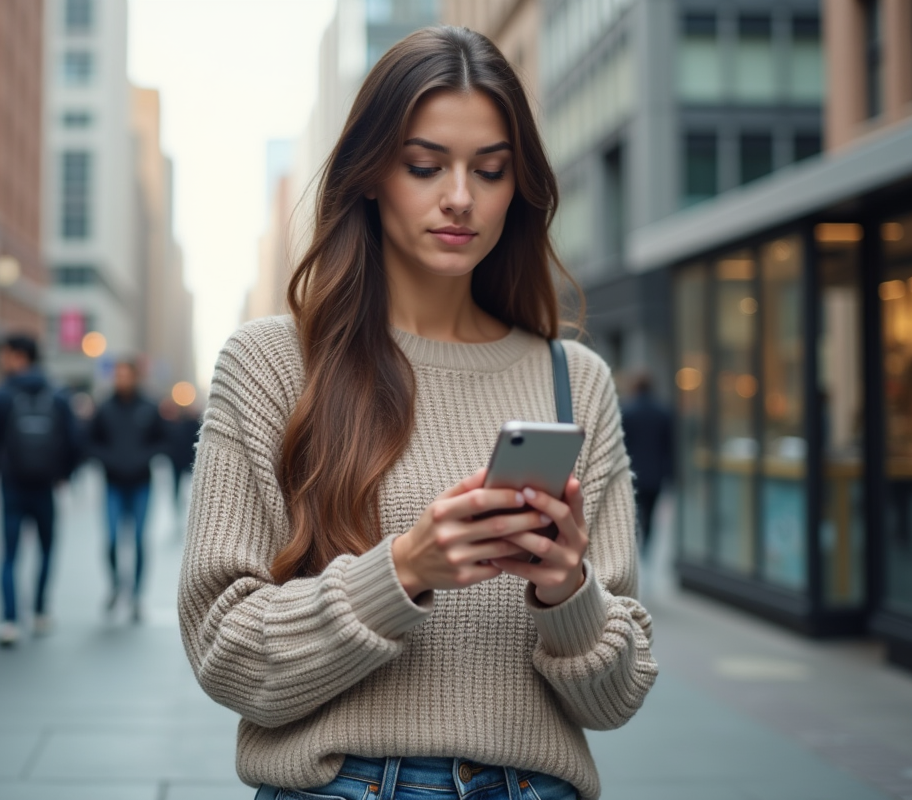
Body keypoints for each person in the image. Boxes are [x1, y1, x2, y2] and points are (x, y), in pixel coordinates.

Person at [178, 27, 657, 800]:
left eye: (491, 170)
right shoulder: (273, 364)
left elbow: (618, 696)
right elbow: (226, 654)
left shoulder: (577, 381)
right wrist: (404, 570)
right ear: (371, 175)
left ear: (518, 188)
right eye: (425, 166)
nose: (460, 197)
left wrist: (569, 592)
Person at [0, 333, 78, 647]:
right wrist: (64, 474)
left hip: (12, 484)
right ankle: (39, 612)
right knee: (47, 549)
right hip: (45, 486)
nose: (2, 360)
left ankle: (9, 621)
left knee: (9, 554)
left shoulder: (2, 395)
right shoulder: (58, 394)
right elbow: (75, 441)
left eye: (5, 354)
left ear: (18, 356)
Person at [87, 359, 165, 621]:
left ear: (134, 377)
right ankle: (116, 585)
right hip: (113, 485)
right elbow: (90, 441)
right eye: (117, 375)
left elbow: (163, 440)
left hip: (142, 484)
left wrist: (144, 457)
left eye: (125, 375)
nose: (121, 379)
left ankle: (136, 596)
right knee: (110, 540)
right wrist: (108, 458)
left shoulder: (149, 407)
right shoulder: (105, 408)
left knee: (140, 540)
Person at [619, 371, 674, 559]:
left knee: (633, 511)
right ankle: (645, 549)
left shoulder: (628, 411)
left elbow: (622, 446)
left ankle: (635, 544)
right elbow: (669, 446)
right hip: (656, 474)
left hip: (633, 473)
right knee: (650, 513)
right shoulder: (663, 412)